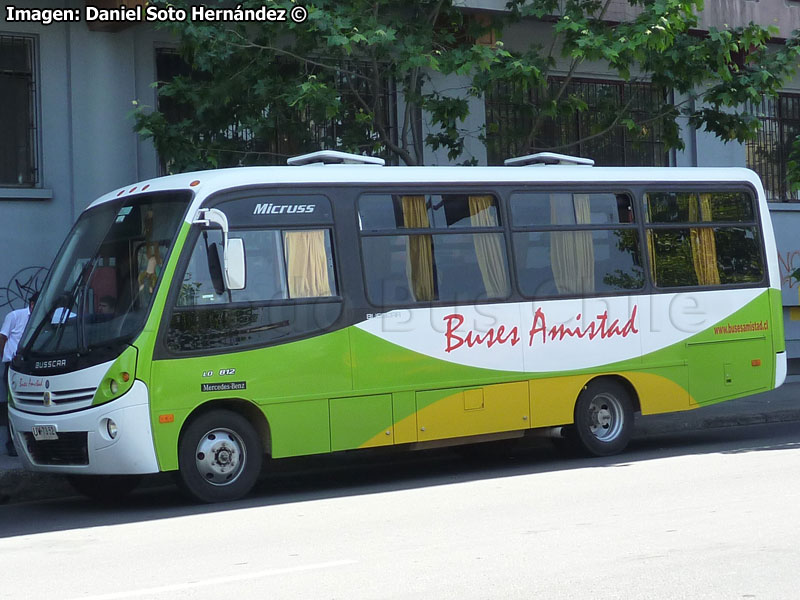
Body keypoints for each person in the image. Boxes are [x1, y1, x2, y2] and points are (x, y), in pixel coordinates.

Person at [0, 292, 38, 456]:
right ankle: (12, 443)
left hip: (32, 364)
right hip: (14, 364)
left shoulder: (41, 319)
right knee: (13, 403)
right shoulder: (15, 316)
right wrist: (5, 357)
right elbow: (3, 336)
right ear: (31, 304)